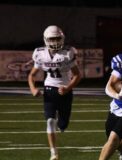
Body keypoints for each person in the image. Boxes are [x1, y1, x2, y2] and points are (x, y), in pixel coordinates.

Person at [28, 25, 81, 160]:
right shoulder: (40, 54)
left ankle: (62, 124)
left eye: (58, 39)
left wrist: (67, 88)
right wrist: (33, 89)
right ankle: (54, 153)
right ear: (46, 40)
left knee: (63, 125)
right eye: (52, 39)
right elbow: (31, 75)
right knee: (50, 120)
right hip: (49, 89)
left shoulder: (67, 53)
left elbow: (77, 76)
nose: (55, 42)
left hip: (65, 90)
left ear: (62, 38)